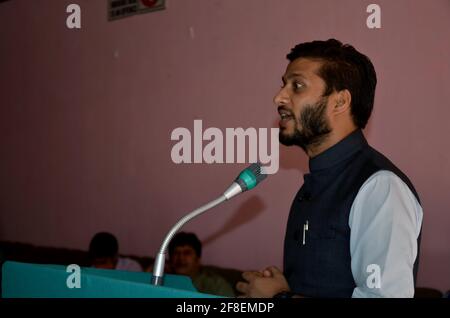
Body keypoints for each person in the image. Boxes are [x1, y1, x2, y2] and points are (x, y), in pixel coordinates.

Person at [236, 39, 423, 298]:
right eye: (283, 84)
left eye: (297, 86)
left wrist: (280, 298)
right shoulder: (314, 186)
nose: (279, 97)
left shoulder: (380, 187)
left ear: (339, 102)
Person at [168, 232, 235, 297]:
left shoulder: (217, 285)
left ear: (198, 259)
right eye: (176, 253)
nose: (180, 258)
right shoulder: (164, 281)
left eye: (187, 253)